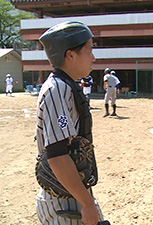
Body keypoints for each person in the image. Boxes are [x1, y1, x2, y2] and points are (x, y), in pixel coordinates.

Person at [36, 21, 104, 225]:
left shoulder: (67, 86)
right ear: (70, 55)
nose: (93, 57)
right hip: (63, 201)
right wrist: (88, 205)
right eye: (89, 50)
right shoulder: (57, 89)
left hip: (72, 194)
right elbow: (57, 156)